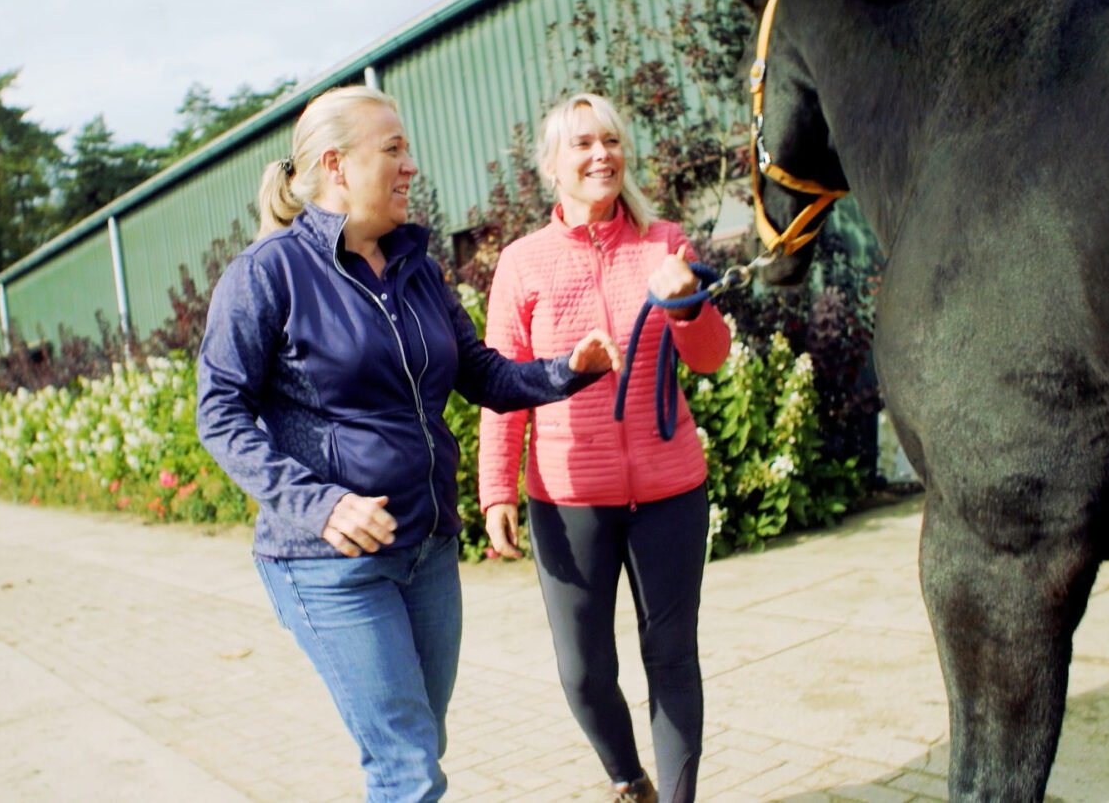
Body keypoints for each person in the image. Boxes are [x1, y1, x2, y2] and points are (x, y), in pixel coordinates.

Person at [195, 85, 623, 803]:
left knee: (422, 741)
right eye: (393, 149)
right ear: (336, 165)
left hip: (426, 549)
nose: (410, 166)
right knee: (407, 765)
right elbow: (220, 412)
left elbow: (479, 372)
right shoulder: (267, 275)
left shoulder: (414, 268)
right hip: (331, 563)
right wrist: (321, 504)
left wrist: (566, 371)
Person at [478, 93, 732, 803]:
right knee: (583, 670)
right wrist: (495, 488)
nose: (602, 156)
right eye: (584, 144)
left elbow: (710, 357)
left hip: (670, 489)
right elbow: (505, 384)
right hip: (567, 499)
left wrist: (688, 303)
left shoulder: (665, 241)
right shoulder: (522, 264)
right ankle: (628, 778)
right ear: (552, 165)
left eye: (612, 141)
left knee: (672, 655)